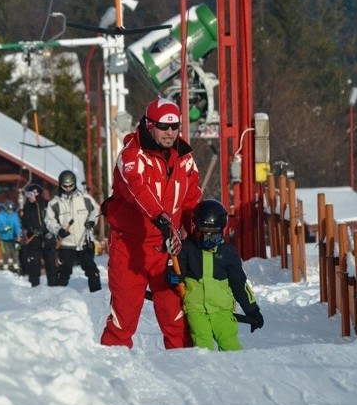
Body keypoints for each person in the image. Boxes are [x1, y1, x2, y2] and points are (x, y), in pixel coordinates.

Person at [100, 97, 202, 349]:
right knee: (124, 319)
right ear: (149, 125)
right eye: (163, 127)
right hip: (130, 248)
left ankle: (188, 373)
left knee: (176, 319)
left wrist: (200, 231)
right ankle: (111, 374)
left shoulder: (185, 159)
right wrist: (161, 218)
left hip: (167, 249)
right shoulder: (132, 156)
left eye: (175, 127)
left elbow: (191, 200)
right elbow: (138, 189)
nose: (170, 133)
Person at [167, 199, 264, 350]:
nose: (207, 242)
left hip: (222, 310)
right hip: (196, 309)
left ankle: (237, 371)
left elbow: (239, 283)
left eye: (212, 236)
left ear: (222, 232)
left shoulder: (227, 252)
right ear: (194, 228)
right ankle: (206, 372)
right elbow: (176, 273)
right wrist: (173, 278)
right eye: (202, 235)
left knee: (229, 344)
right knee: (202, 343)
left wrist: (252, 310)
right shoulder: (187, 248)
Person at [45, 170, 102, 291]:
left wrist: (92, 221)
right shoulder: (55, 203)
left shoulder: (85, 199)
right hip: (67, 243)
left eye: (71, 185)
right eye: (65, 186)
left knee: (92, 270)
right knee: (64, 272)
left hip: (84, 241)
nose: (68, 189)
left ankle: (96, 294)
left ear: (75, 184)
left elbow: (96, 211)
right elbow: (49, 221)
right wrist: (58, 230)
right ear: (60, 185)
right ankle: (60, 298)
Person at [19, 183, 57, 287]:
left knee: (51, 264)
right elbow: (25, 222)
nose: (29, 198)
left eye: (30, 195)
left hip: (48, 240)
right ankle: (35, 287)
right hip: (34, 240)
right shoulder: (27, 207)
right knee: (34, 265)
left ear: (37, 194)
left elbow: (55, 220)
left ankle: (53, 286)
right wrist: (32, 229)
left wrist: (50, 231)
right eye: (27, 195)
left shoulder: (47, 205)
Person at [0, 200, 21, 271]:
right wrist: (4, 229)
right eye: (9, 209)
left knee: (16, 251)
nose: (10, 211)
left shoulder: (14, 215)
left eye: (11, 209)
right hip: (4, 238)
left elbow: (17, 225)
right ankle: (5, 266)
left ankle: (16, 265)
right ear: (5, 208)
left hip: (14, 238)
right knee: (5, 252)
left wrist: (18, 234)